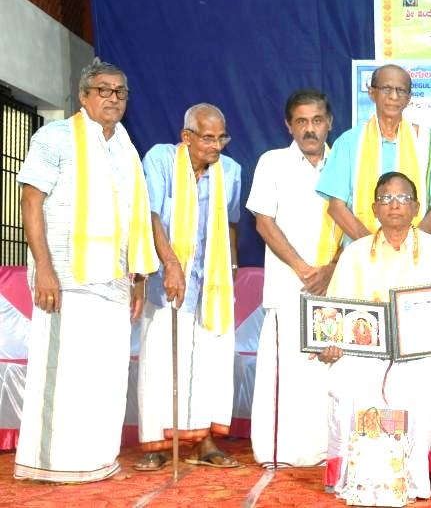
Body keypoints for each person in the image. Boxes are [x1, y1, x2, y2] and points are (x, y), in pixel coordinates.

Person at [14, 58, 158, 482]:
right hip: (66, 279)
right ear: (83, 96)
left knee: (106, 377)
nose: (113, 98)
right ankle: (52, 463)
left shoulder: (126, 148)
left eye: (120, 91)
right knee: (64, 374)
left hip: (113, 283)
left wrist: (137, 277)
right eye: (103, 90)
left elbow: (133, 216)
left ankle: (97, 460)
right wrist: (44, 269)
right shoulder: (55, 136)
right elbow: (31, 201)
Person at [319, 172, 431, 500]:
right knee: (346, 383)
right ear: (374, 208)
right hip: (364, 354)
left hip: (422, 355)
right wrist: (328, 346)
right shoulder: (354, 254)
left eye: (403, 198)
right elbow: (332, 318)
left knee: (421, 388)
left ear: (416, 207)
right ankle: (355, 479)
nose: (395, 205)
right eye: (386, 198)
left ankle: (410, 480)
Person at [135, 103, 243, 471]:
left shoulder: (231, 171)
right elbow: (150, 215)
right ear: (186, 136)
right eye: (208, 138)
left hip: (212, 283)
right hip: (166, 280)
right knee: (161, 360)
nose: (217, 146)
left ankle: (204, 442)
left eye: (222, 138)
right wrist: (170, 263)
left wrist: (231, 271)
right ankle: (157, 444)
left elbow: (230, 224)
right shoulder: (160, 160)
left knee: (210, 362)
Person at [246, 89, 342, 467]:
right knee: (287, 372)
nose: (309, 129)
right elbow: (264, 223)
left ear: (329, 122)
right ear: (289, 125)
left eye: (317, 120)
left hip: (336, 285)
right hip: (289, 286)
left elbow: (355, 226)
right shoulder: (272, 163)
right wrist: (304, 269)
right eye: (301, 121)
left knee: (328, 371)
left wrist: (331, 270)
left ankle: (325, 452)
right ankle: (280, 453)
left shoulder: (345, 163)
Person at [316, 64, 431, 243]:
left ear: (409, 98)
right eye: (386, 89)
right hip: (361, 253)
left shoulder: (429, 142)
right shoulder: (348, 142)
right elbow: (336, 207)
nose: (394, 96)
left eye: (401, 90)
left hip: (416, 253)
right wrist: (374, 247)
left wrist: (410, 244)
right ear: (372, 93)